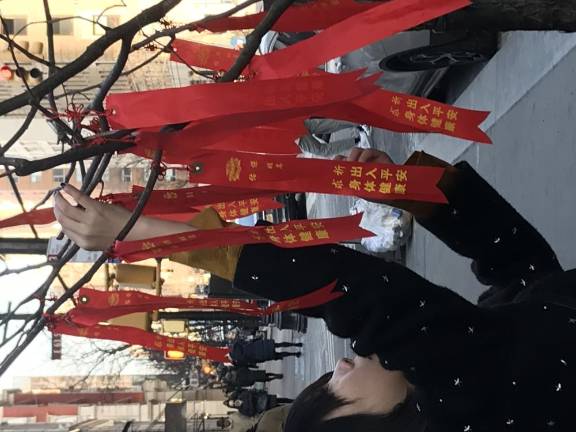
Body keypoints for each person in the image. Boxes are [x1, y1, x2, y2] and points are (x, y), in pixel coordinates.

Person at [55, 147, 576, 431]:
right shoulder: (470, 408)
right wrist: (149, 236)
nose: (339, 368)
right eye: (332, 393)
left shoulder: (486, 366)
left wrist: (409, 188)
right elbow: (369, 296)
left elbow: (521, 269)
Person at [296, 118, 371, 157]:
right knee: (328, 125)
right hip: (291, 123)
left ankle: (358, 139)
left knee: (322, 150)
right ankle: (360, 121)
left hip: (291, 136)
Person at [229, 338, 302, 366]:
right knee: (279, 344)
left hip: (259, 355)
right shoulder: (236, 345)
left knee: (278, 355)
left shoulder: (240, 359)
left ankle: (295, 354)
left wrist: (261, 360)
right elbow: (247, 340)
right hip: (257, 346)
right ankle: (296, 344)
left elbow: (251, 361)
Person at [225, 389, 293, 418]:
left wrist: (251, 402)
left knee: (280, 399)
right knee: (279, 407)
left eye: (233, 402)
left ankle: (292, 401)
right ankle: (291, 407)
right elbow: (251, 413)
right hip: (264, 407)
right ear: (234, 406)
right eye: (233, 404)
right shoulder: (241, 410)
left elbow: (250, 393)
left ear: (233, 400)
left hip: (264, 398)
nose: (235, 403)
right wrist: (251, 402)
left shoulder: (241, 396)